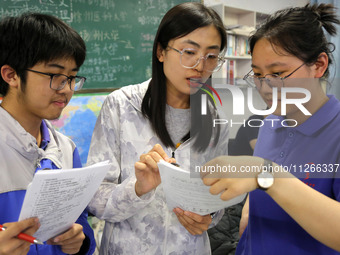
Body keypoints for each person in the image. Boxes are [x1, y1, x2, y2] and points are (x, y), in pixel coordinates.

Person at [86, 2, 229, 254]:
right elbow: (95, 200)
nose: (200, 65)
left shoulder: (216, 119)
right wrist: (138, 188)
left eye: (212, 56)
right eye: (189, 51)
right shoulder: (121, 106)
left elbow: (220, 196)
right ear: (161, 51)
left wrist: (209, 215)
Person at [202, 3, 340, 255]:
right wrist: (248, 208)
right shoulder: (269, 124)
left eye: (278, 73)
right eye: (257, 75)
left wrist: (268, 174)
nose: (265, 88)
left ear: (319, 65)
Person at [0, 13, 96, 255]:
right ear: (11, 75)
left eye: (72, 78)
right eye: (55, 76)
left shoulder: (65, 149)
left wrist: (79, 241)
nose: (66, 89)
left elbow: (82, 224)